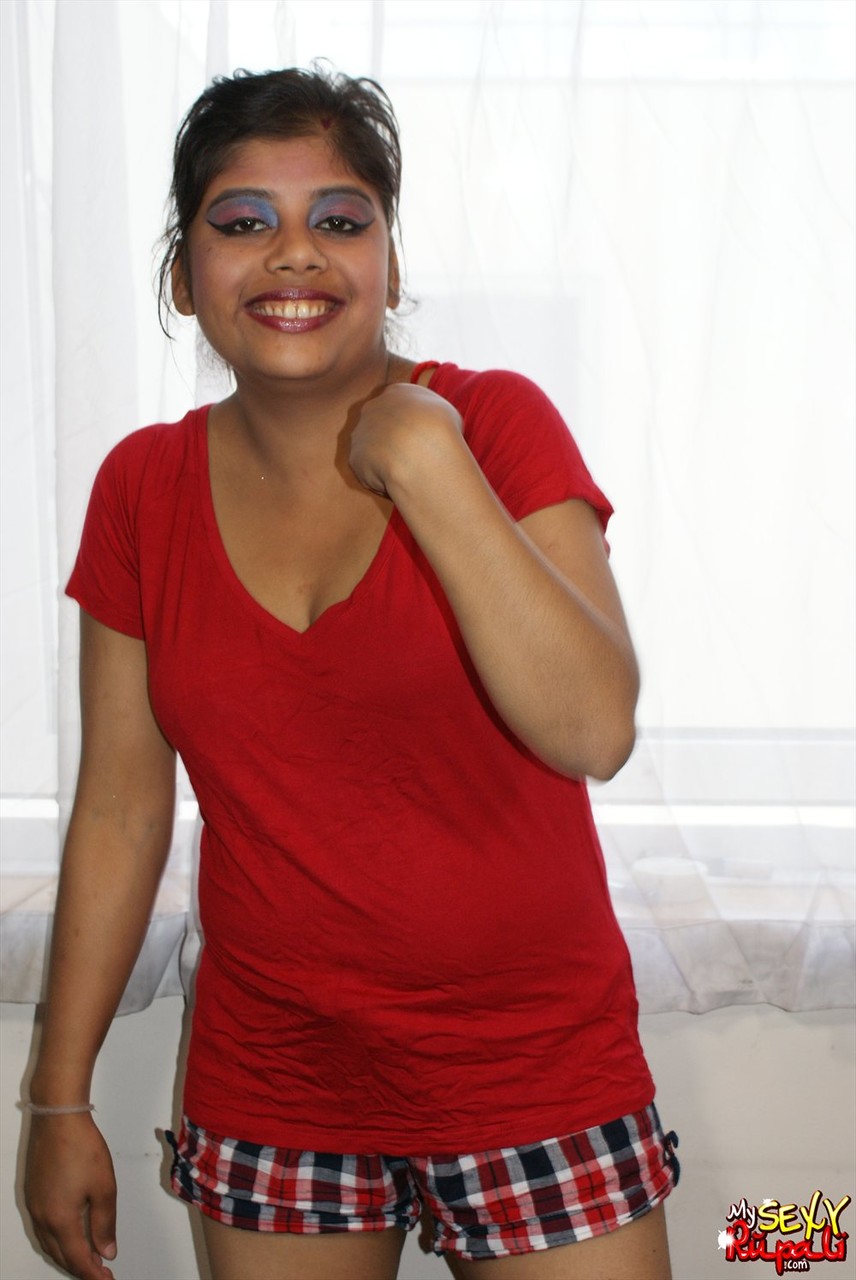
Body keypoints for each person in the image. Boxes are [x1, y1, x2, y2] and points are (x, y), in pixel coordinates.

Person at [23, 66, 679, 1280]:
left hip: (532, 1063)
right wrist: (59, 1098)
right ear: (183, 276)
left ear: (388, 262)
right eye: (242, 221)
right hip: (277, 1076)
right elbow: (120, 808)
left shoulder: (492, 424)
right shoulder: (141, 489)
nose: (294, 252)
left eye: (339, 218)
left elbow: (594, 727)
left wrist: (431, 466)